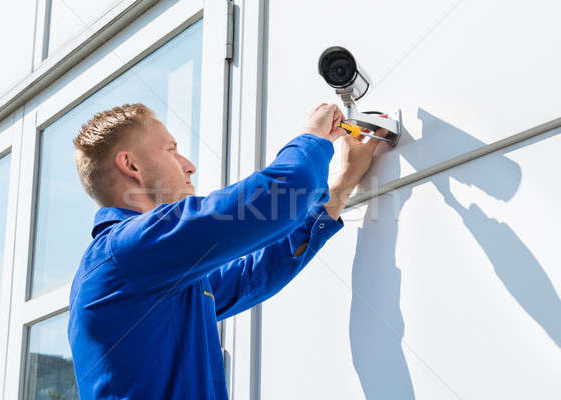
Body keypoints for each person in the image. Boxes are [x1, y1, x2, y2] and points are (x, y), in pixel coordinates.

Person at [68, 102, 386, 399]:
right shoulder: (127, 252)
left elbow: (255, 273)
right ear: (131, 164)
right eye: (171, 149)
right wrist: (314, 136)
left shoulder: (152, 273)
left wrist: (343, 183)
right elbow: (277, 196)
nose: (189, 166)